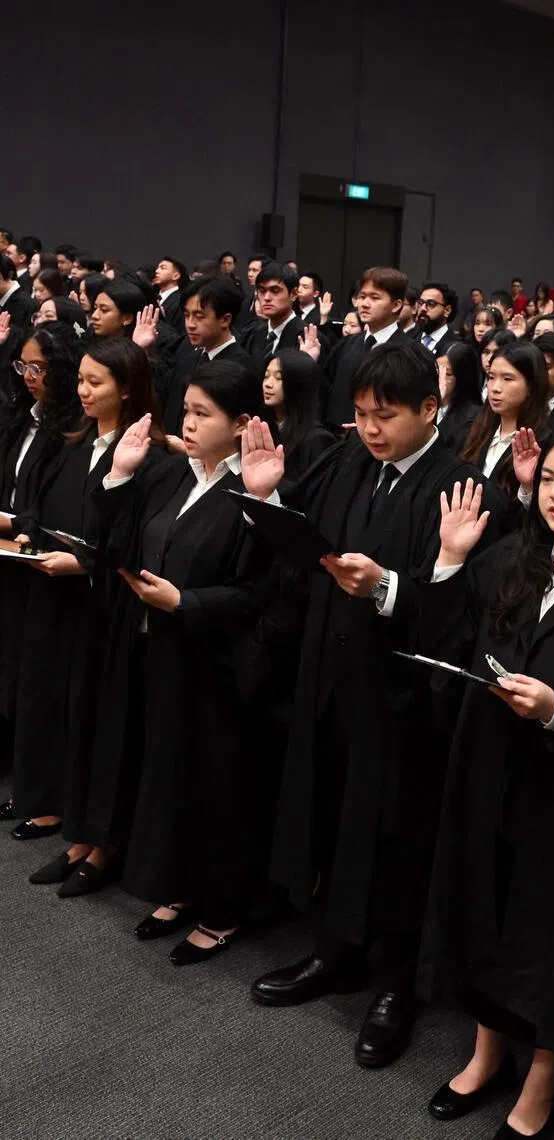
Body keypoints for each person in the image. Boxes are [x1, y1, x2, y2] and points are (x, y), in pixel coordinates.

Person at [247, 342, 503, 1067]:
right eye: (359, 414)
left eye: (384, 415)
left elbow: (472, 608)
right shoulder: (346, 461)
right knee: (332, 818)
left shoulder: (460, 487)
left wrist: (391, 588)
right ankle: (335, 951)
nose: (369, 428)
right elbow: (307, 554)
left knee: (393, 841)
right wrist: (266, 500)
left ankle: (397, 983)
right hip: (332, 677)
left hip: (403, 702)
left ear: (430, 409)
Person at [411, 426, 554, 1137]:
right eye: (549, 479)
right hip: (489, 768)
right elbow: (446, 647)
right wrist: (450, 563)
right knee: (486, 908)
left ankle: (543, 1076)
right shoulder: (513, 558)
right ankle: (486, 1052)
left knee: (552, 936)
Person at [91, 362, 269, 957]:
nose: (187, 424)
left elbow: (261, 592)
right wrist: (118, 477)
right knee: (166, 775)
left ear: (242, 423)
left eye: (202, 414)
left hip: (217, 665)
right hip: (159, 650)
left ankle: (222, 909)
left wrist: (185, 601)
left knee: (215, 786)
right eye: (185, 410)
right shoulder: (171, 474)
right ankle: (179, 885)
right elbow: (118, 547)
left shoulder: (258, 487)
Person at [8, 339, 162, 845]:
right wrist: (24, 529)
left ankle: (74, 816)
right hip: (48, 589)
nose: (84, 391)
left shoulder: (144, 452)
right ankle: (44, 798)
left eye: (96, 383)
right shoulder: (76, 440)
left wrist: (84, 563)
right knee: (42, 694)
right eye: (81, 380)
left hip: (97, 602)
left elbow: (135, 536)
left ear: (127, 390)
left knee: (81, 706)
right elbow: (47, 509)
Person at [0, 324, 83, 824]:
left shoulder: (69, 427)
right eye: (23, 365)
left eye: (40, 367)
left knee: (37, 680)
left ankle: (38, 793)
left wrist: (11, 524)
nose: (30, 377)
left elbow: (50, 506)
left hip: (39, 561)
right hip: (10, 558)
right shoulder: (21, 417)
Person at [461, 340, 550, 522]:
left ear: (531, 386)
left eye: (507, 379)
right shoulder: (478, 429)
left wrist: (528, 488)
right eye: (491, 377)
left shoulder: (544, 441)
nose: (495, 388)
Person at [163, 275, 252, 440]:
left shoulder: (242, 369)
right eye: (187, 315)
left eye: (199, 316)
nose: (190, 324)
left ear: (225, 320)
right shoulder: (186, 359)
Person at [324, 267, 408, 425]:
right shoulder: (347, 343)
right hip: (337, 437)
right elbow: (327, 388)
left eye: (375, 298)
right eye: (361, 297)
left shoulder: (409, 352)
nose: (364, 304)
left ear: (396, 305)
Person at [261, 350, 337, 479]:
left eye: (278, 378)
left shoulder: (317, 439)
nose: (268, 384)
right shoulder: (263, 426)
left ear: (298, 384)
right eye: (266, 376)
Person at [238, 262, 304, 368]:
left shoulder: (305, 337)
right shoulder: (252, 334)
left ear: (294, 294)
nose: (267, 297)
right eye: (262, 291)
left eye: (275, 290)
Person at [435, 341, 485, 454]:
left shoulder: (472, 418)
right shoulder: (423, 403)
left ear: (463, 377)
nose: (439, 378)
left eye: (447, 374)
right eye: (437, 370)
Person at [415, 282, 460, 357]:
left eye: (431, 303)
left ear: (447, 310)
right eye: (421, 302)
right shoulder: (409, 340)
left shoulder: (456, 347)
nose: (423, 308)